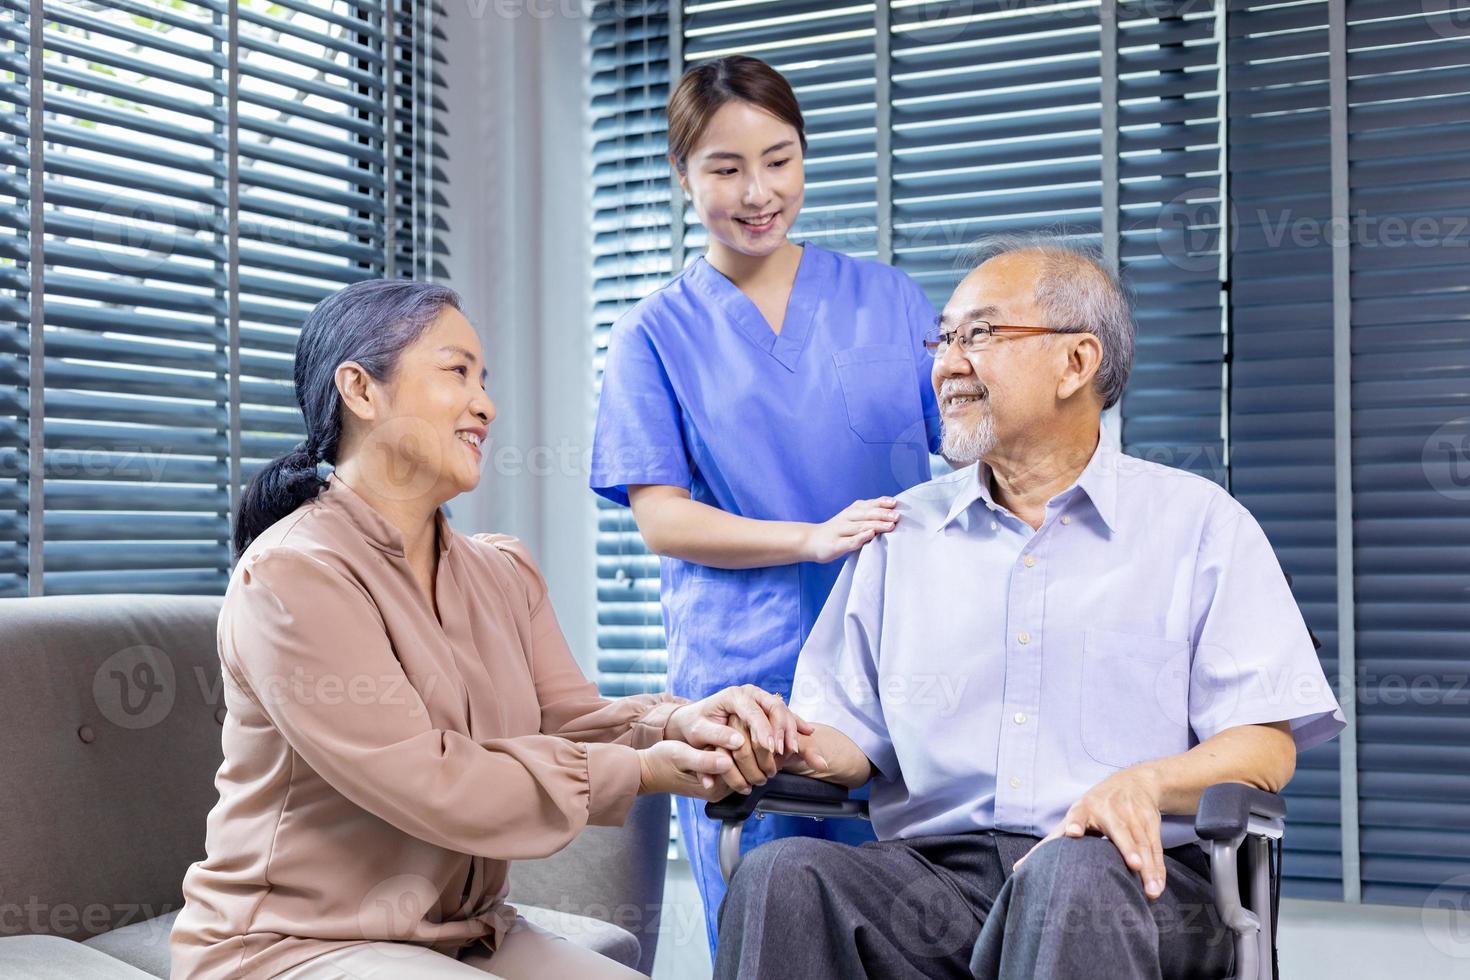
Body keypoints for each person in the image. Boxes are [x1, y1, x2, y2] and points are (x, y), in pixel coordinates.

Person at [714, 233, 1347, 980]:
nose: (947, 362)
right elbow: (848, 737)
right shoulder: (902, 532)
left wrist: (1143, 782)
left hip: (1135, 880)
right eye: (943, 338)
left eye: (979, 334)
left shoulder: (1200, 524)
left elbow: (1265, 748)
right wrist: (778, 741)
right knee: (782, 875)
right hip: (938, 882)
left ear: (1076, 363)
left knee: (1068, 881)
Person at [169, 279, 814, 979]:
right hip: (294, 945)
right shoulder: (294, 577)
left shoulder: (501, 572)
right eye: (457, 372)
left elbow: (572, 721)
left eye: (484, 379)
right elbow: (428, 779)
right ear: (360, 390)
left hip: (466, 934)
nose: (486, 404)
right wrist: (642, 770)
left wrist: (678, 724)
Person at [589, 55, 942, 952]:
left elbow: (976, 446)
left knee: (921, 916)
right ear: (682, 176)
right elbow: (662, 517)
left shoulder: (890, 301)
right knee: (771, 924)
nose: (758, 192)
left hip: (906, 657)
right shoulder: (653, 333)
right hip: (753, 672)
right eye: (725, 167)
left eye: (779, 160)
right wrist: (811, 538)